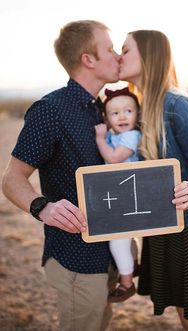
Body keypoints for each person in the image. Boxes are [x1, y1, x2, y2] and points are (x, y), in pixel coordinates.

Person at [2, 20, 120, 331]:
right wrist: (44, 207)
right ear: (88, 59)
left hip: (109, 252)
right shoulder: (50, 110)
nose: (117, 55)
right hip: (74, 257)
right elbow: (12, 178)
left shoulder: (104, 109)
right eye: (109, 48)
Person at [119, 29, 188, 331]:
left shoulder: (178, 105)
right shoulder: (139, 107)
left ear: (148, 55)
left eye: (125, 50)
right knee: (183, 315)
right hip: (161, 226)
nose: (119, 56)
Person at [95, 87, 141, 303]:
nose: (122, 116)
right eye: (115, 113)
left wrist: (100, 138)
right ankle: (132, 265)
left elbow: (113, 159)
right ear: (106, 117)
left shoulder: (132, 136)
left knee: (117, 242)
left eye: (128, 111)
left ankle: (127, 283)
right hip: (120, 195)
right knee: (123, 240)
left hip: (128, 196)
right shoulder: (119, 135)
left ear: (137, 114)